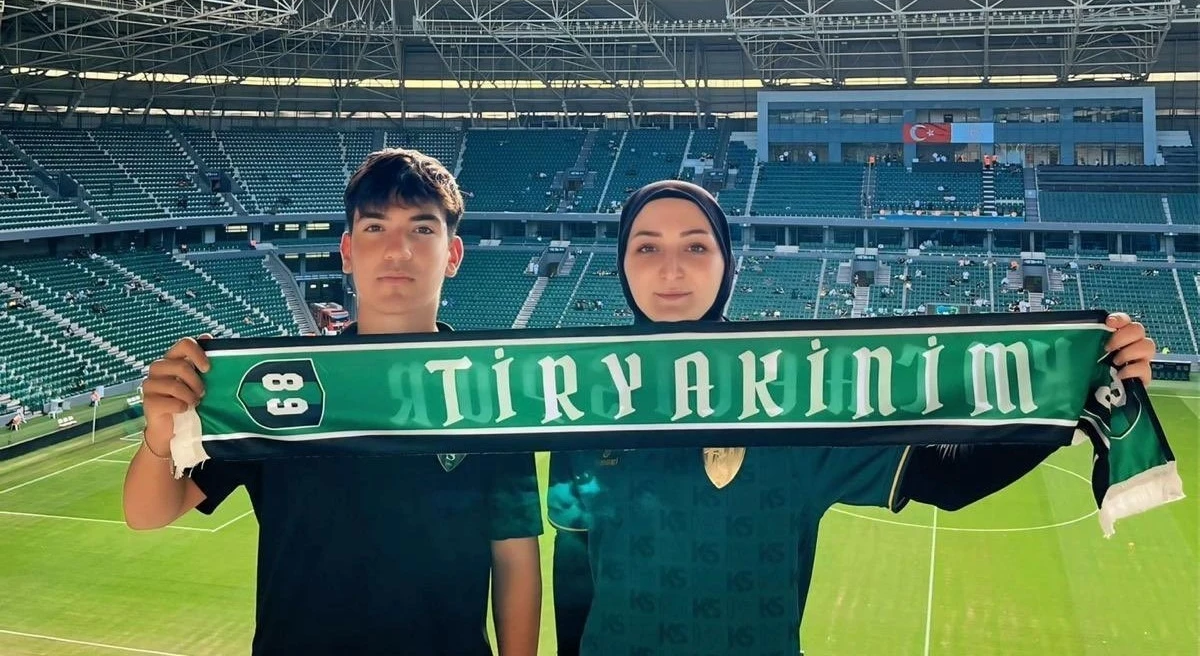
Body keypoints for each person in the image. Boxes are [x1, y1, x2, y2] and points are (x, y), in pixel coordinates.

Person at [549, 180, 1156, 656]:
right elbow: (574, 565)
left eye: (695, 246)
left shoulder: (792, 392)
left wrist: (1071, 388)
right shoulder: (580, 398)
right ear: (622, 263)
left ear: (725, 263)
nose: (671, 268)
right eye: (646, 246)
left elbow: (947, 478)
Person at [124, 149, 543, 656]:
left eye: (421, 229)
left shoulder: (491, 391)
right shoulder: (276, 384)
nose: (397, 250)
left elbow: (515, 557)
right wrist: (160, 432)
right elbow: (148, 513)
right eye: (375, 228)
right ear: (347, 250)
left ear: (452, 254)